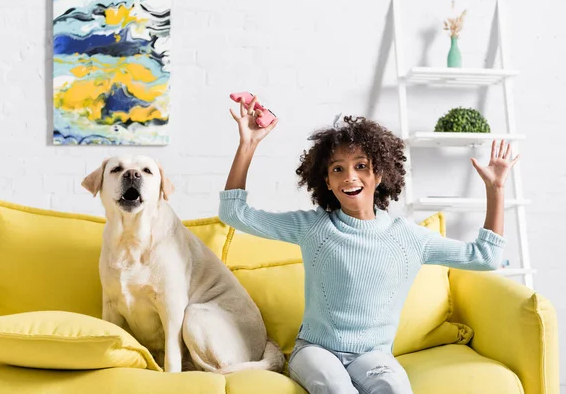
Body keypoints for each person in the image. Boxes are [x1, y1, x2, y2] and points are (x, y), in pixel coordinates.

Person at [218, 96, 519, 394]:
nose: (350, 177)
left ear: (380, 173)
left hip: (373, 356)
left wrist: (496, 190)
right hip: (315, 352)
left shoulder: (408, 238)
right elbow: (234, 214)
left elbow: (486, 256)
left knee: (395, 387)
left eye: (361, 165)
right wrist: (249, 144)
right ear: (326, 181)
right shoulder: (313, 227)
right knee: (337, 389)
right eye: (337, 169)